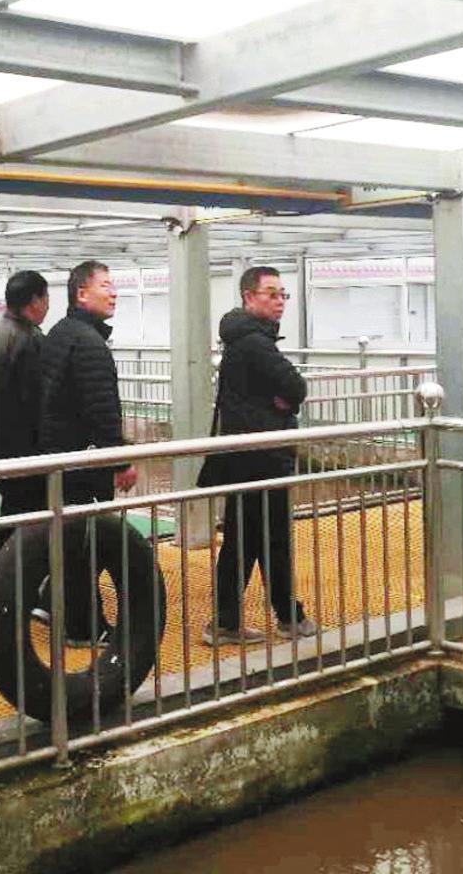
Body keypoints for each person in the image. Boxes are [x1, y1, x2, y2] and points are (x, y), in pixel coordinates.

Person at [205, 266, 316, 646]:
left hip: (245, 454)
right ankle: (287, 617)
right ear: (249, 297)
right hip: (263, 457)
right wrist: (284, 403)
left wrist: (281, 400)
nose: (279, 301)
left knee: (245, 539)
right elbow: (295, 386)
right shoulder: (255, 343)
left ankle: (229, 620)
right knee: (271, 537)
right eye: (271, 293)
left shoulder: (240, 340)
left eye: (283, 294)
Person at [39, 260, 138, 647]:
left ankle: (52, 603)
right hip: (83, 460)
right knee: (86, 544)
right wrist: (120, 462)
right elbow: (101, 410)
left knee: (71, 540)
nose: (113, 293)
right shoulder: (89, 343)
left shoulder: (60, 333)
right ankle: (83, 627)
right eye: (105, 286)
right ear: (82, 293)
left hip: (59, 456)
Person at [0, 270, 50, 591]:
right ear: (35, 300)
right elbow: (36, 402)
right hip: (23, 449)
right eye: (46, 298)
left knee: (14, 513)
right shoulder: (30, 340)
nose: (47, 305)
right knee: (24, 516)